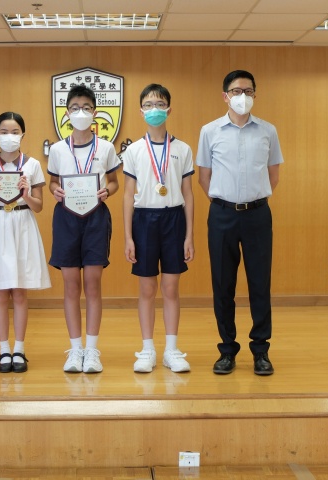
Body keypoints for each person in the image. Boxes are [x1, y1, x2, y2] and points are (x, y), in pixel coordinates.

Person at [196, 70, 284, 376]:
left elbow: (273, 174)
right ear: (225, 96)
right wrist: (225, 202)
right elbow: (204, 177)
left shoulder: (268, 131)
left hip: (258, 214)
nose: (242, 96)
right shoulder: (209, 131)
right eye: (236, 91)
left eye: (247, 91)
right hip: (222, 214)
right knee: (223, 285)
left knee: (260, 284)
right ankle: (227, 349)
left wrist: (252, 199)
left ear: (255, 95)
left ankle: (261, 350)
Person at [48, 85, 121, 374]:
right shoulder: (57, 149)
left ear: (95, 112)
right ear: (67, 113)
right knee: (70, 285)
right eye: (75, 108)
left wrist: (107, 191)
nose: (81, 112)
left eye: (87, 108)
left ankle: (91, 351)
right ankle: (75, 349)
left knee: (92, 283)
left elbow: (114, 182)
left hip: (95, 218)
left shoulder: (106, 147)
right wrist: (55, 190)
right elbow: (53, 182)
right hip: (66, 218)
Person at [123, 83, 195, 374]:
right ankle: (147, 349)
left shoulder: (182, 149)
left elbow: (188, 193)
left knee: (171, 287)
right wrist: (128, 237)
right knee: (147, 287)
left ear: (169, 109)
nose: (155, 109)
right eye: (149, 105)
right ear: (141, 111)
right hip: (144, 220)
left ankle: (172, 350)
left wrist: (189, 235)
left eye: (160, 104)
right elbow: (128, 195)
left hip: (174, 219)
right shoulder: (133, 150)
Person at [0, 112, 51, 373]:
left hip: (22, 223)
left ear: (23, 134)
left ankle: (19, 349)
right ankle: (3, 350)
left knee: (19, 292)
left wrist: (26, 194)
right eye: (4, 132)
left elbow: (38, 206)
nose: (9, 136)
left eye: (15, 131)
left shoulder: (32, 165)